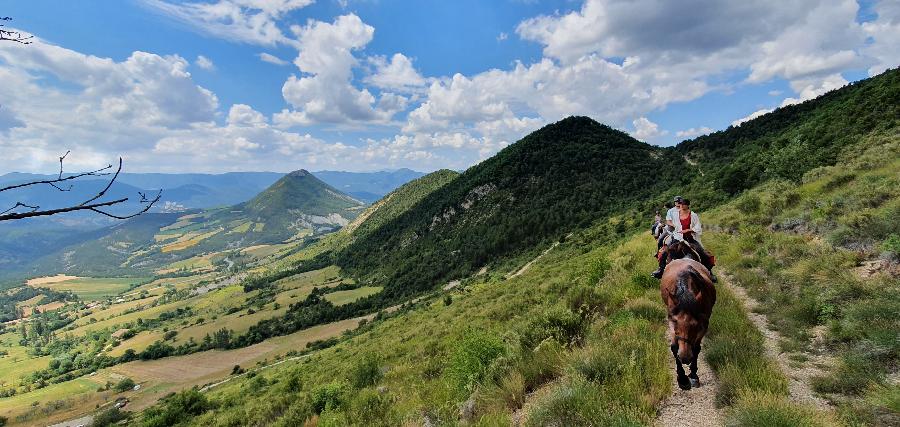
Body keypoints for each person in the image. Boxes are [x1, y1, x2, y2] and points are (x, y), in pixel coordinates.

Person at [651, 198, 718, 282]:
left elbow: (698, 226)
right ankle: (661, 270)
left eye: (683, 204)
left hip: (690, 238)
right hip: (677, 238)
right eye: (680, 204)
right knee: (664, 252)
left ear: (687, 205)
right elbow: (669, 221)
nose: (681, 206)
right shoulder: (675, 214)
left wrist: (688, 230)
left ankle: (709, 272)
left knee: (702, 253)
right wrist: (673, 226)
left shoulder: (693, 215)